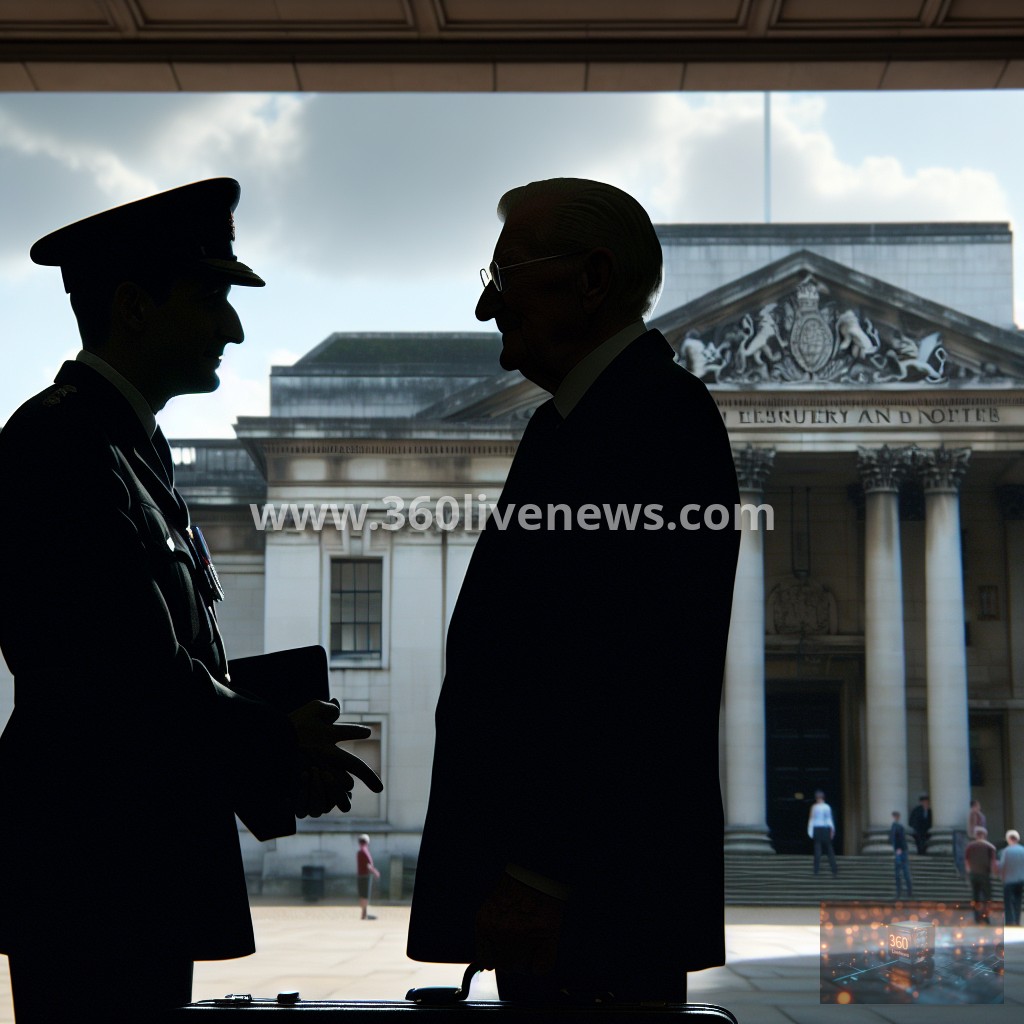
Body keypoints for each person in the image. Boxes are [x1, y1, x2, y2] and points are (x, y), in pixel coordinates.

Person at [0, 179, 383, 1023]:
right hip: (91, 867)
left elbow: (164, 672)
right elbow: (124, 673)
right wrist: (276, 735)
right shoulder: (62, 445)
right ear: (134, 307)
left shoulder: (128, 447)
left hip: (128, 859)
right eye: (211, 298)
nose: (233, 327)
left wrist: (275, 761)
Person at [406, 178, 740, 1003]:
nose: (487, 304)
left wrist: (542, 869)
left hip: (589, 896)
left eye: (507, 274)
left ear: (592, 278)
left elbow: (638, 671)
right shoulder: (574, 421)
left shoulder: (657, 418)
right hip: (563, 889)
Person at [964, 826, 998, 924]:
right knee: (986, 897)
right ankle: (984, 917)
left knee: (976, 896)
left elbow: (966, 860)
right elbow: (993, 861)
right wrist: (994, 872)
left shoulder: (970, 846)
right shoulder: (989, 846)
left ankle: (978, 917)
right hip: (983, 874)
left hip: (975, 874)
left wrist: (969, 871)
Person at [808, 790, 839, 877]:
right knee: (827, 849)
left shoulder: (815, 807)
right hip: (823, 828)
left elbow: (812, 819)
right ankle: (833, 870)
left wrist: (810, 831)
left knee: (821, 849)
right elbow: (828, 819)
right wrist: (832, 830)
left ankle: (817, 871)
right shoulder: (826, 807)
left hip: (819, 828)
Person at [999, 830, 1024, 927]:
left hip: (1008, 881)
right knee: (1018, 901)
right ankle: (1017, 921)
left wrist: (1001, 877)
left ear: (1009, 839)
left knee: (1008, 903)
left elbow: (1002, 866)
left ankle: (1010, 922)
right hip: (1020, 880)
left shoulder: (1006, 851)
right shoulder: (1022, 850)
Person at [357, 833, 382, 920]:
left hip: (360, 875)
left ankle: (363, 914)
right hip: (365, 876)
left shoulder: (360, 852)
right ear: (367, 842)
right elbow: (368, 865)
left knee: (362, 895)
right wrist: (375, 872)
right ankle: (364, 914)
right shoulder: (364, 851)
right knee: (365, 895)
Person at [890, 811, 912, 900]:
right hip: (901, 851)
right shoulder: (896, 826)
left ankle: (904, 892)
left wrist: (899, 849)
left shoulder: (897, 827)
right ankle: (904, 891)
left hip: (900, 851)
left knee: (901, 873)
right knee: (901, 873)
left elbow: (898, 839)